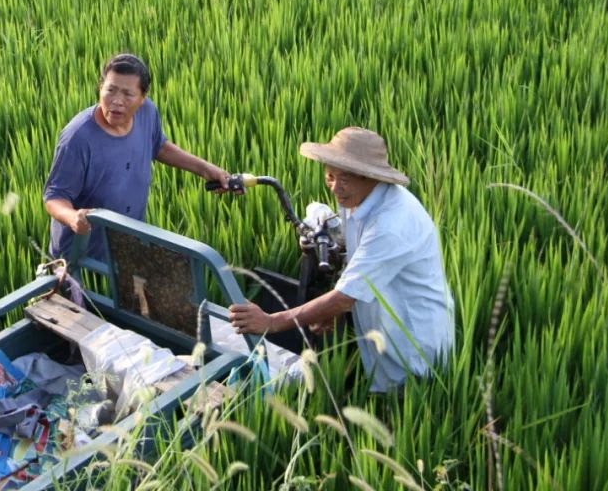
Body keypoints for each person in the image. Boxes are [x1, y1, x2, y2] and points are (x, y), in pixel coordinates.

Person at [229, 127, 454, 392]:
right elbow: (356, 267)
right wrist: (336, 311)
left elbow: (346, 295)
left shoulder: (393, 224)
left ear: (371, 176)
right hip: (379, 318)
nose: (336, 187)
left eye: (345, 179)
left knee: (407, 406)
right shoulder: (357, 199)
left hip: (412, 340)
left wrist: (271, 322)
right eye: (330, 177)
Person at [43, 52, 233, 261]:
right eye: (110, 90)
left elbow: (158, 146)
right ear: (100, 88)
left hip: (127, 244)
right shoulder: (78, 138)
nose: (117, 101)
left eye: (127, 94)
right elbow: (54, 197)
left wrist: (206, 170)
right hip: (83, 259)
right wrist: (73, 218)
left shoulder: (147, 113)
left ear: (143, 98)